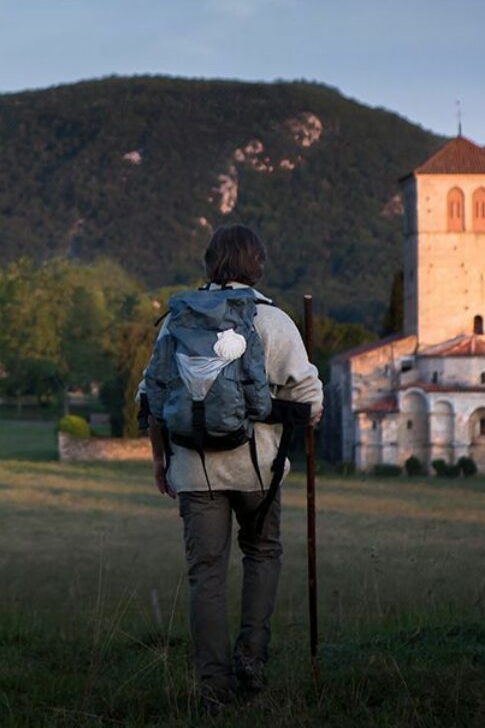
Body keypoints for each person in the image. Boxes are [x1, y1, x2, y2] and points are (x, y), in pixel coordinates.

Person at [138, 224, 323, 713]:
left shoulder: (176, 320)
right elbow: (309, 398)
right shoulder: (272, 320)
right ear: (256, 264)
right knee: (262, 553)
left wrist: (160, 460)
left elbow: (150, 397)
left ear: (209, 263)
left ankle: (212, 688)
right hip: (258, 471)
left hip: (194, 472)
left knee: (206, 575)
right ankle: (252, 659)